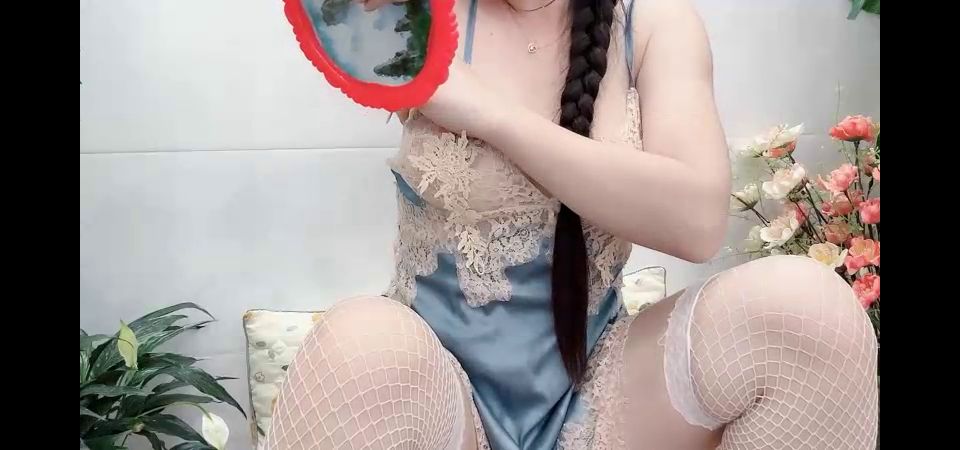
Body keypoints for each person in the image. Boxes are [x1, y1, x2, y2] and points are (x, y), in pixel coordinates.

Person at [266, 0, 879, 448]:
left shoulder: (651, 22)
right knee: (359, 342)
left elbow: (697, 222)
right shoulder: (418, 16)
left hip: (603, 385)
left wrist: (492, 117)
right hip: (436, 395)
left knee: (806, 307)